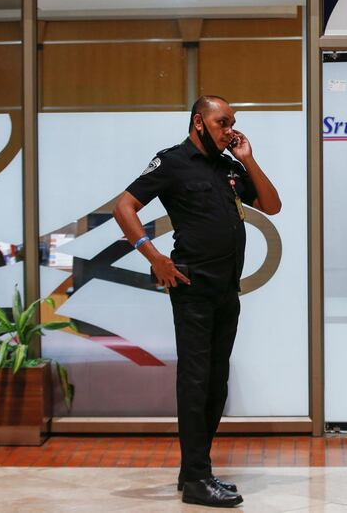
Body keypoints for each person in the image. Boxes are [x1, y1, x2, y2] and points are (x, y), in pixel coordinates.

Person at [113, 96, 281, 507]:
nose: (230, 129)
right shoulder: (172, 162)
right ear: (199, 122)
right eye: (223, 122)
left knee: (215, 384)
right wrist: (155, 258)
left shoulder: (229, 166)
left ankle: (194, 472)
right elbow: (124, 207)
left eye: (233, 123)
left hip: (227, 289)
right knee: (195, 382)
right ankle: (197, 480)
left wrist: (249, 159)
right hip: (193, 289)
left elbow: (272, 206)